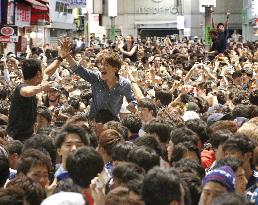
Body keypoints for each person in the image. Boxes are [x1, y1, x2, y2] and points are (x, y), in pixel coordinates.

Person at [59, 38, 137, 120]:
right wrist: (67, 56)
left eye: (106, 65)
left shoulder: (125, 84)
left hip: (112, 123)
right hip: (94, 122)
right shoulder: (96, 78)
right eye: (101, 64)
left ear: (115, 69)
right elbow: (79, 70)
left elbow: (132, 100)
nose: (101, 67)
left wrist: (132, 105)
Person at [6, 57, 62, 141]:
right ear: (39, 73)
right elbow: (26, 92)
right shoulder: (22, 87)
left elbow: (49, 71)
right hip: (15, 139)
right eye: (42, 69)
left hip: (27, 137)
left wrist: (60, 58)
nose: (44, 72)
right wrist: (42, 87)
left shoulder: (36, 82)